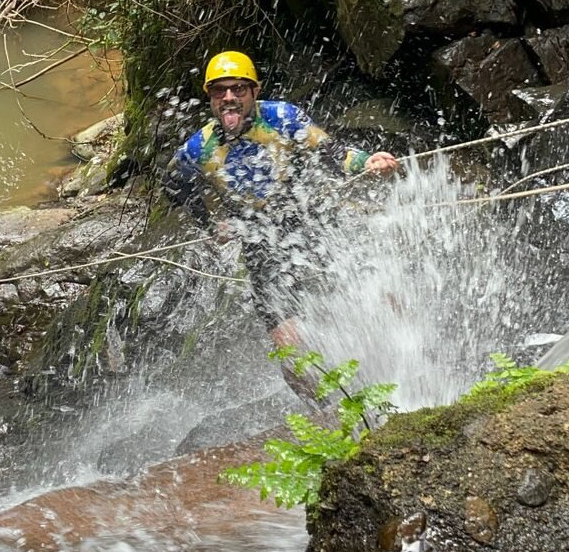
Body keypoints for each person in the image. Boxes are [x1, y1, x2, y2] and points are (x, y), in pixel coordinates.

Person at [163, 50, 399, 356]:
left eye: (238, 88)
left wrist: (367, 161)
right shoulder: (198, 148)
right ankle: (318, 390)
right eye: (220, 90)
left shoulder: (281, 117)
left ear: (255, 91)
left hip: (311, 219)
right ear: (210, 96)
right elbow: (174, 183)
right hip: (259, 243)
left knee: (383, 297)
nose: (229, 98)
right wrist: (209, 225)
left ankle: (408, 361)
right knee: (289, 348)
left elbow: (331, 151)